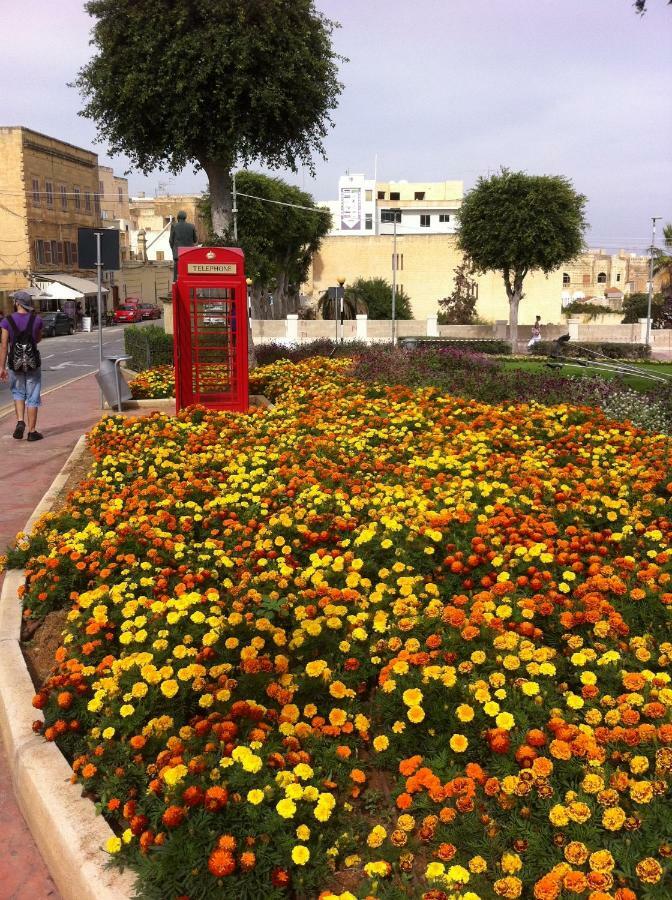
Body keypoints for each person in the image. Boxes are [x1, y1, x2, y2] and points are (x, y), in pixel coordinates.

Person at [0, 290, 44, 441]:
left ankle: (20, 422)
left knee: (18, 392)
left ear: (17, 303)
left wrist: (2, 367)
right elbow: (38, 339)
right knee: (32, 396)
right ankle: (32, 432)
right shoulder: (36, 320)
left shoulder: (7, 321)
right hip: (32, 364)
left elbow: (4, 346)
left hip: (15, 363)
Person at [169, 210, 198, 281]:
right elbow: (195, 240)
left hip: (178, 255)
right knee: (188, 277)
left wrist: (174, 250)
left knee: (177, 278)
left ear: (178, 218)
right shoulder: (192, 226)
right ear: (185, 218)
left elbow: (170, 240)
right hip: (189, 255)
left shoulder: (174, 226)